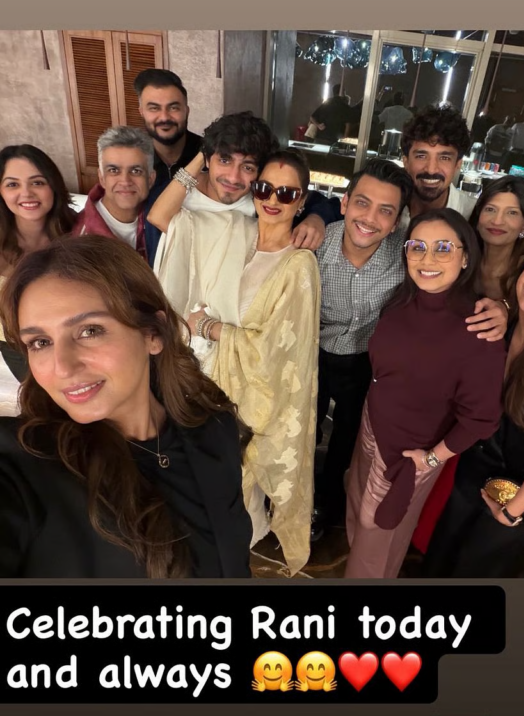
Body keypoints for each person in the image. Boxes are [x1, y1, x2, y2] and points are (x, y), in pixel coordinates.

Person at [0, 234, 252, 578]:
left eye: (90, 331)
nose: (62, 367)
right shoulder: (24, 465)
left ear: (153, 334)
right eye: (40, 342)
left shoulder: (213, 428)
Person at [156, 149, 320, 577]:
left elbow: (279, 352)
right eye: (264, 187)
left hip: (248, 406)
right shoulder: (236, 231)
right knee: (195, 496)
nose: (273, 199)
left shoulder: (298, 264)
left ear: (302, 201)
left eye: (287, 193)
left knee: (234, 502)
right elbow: (163, 218)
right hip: (203, 389)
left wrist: (211, 328)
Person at [344, 209, 506, 579]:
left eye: (443, 248)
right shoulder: (402, 300)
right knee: (360, 513)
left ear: (465, 257)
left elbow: (481, 419)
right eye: (417, 247)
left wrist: (431, 459)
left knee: (375, 535)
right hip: (373, 429)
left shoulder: (478, 329)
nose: (427, 258)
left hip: (409, 451)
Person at [423, 234, 524, 578]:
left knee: (475, 570)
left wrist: (511, 513)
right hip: (476, 467)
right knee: (440, 557)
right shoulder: (501, 329)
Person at [314, 158, 413, 533]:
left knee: (349, 436)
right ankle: (295, 500)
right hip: (314, 352)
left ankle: (330, 503)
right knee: (305, 429)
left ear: (397, 221)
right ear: (344, 202)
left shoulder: (405, 256)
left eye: (385, 210)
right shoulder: (316, 245)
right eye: (362, 202)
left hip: (366, 361)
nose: (370, 218)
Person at [147, 111, 340, 256]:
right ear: (207, 159)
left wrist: (316, 218)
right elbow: (156, 218)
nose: (233, 178)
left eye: (248, 167)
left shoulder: (263, 199)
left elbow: (325, 203)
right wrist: (204, 153)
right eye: (224, 160)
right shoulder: (175, 196)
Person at [397, 103, 509, 337]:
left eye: (444, 157)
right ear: (406, 160)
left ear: (458, 164)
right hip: (388, 325)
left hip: (447, 333)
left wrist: (504, 306)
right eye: (421, 155)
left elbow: (504, 268)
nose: (431, 169)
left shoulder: (475, 216)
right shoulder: (388, 208)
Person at [0, 144, 77, 382]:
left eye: (37, 182)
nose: (27, 193)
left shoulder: (79, 230)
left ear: (53, 185)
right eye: (12, 184)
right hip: (17, 345)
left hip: (74, 337)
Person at [133, 68, 204, 264]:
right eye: (154, 108)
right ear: (141, 112)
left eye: (173, 107)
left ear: (186, 110)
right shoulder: (133, 160)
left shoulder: (209, 156)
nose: (164, 117)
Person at [72, 126, 155, 260]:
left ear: (150, 179)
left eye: (136, 171)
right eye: (114, 170)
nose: (125, 181)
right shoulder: (80, 240)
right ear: (101, 178)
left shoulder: (160, 218)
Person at [469, 176, 524, 301]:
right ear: (478, 216)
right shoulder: (460, 261)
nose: (497, 221)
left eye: (512, 213)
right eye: (490, 209)